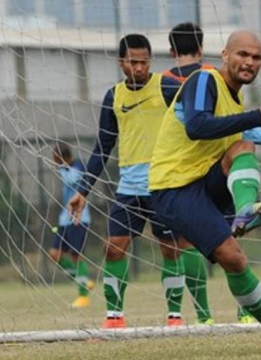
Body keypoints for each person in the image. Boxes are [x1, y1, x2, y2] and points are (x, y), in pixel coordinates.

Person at [148, 30, 261, 352]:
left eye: (256, 57)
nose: (249, 62)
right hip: (174, 186)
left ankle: (246, 211)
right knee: (233, 258)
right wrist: (253, 115)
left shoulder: (234, 95)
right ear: (225, 55)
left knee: (241, 145)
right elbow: (197, 126)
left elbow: (236, 128)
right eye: (243, 55)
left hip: (205, 178)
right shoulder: (204, 80)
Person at [68, 34, 186, 329]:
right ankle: (114, 317)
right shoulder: (114, 97)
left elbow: (194, 122)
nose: (139, 68)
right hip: (129, 188)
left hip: (163, 184)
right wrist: (82, 190)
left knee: (171, 248)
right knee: (113, 246)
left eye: (144, 61)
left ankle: (175, 316)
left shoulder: (168, 87)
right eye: (133, 62)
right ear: (121, 63)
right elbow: (102, 148)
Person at [49, 142, 94, 308]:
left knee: (76, 256)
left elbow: (73, 179)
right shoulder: (64, 169)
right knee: (54, 254)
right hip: (64, 219)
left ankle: (83, 296)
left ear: (64, 158)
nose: (55, 163)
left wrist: (62, 169)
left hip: (79, 218)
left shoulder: (79, 166)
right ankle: (83, 280)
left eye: (56, 159)